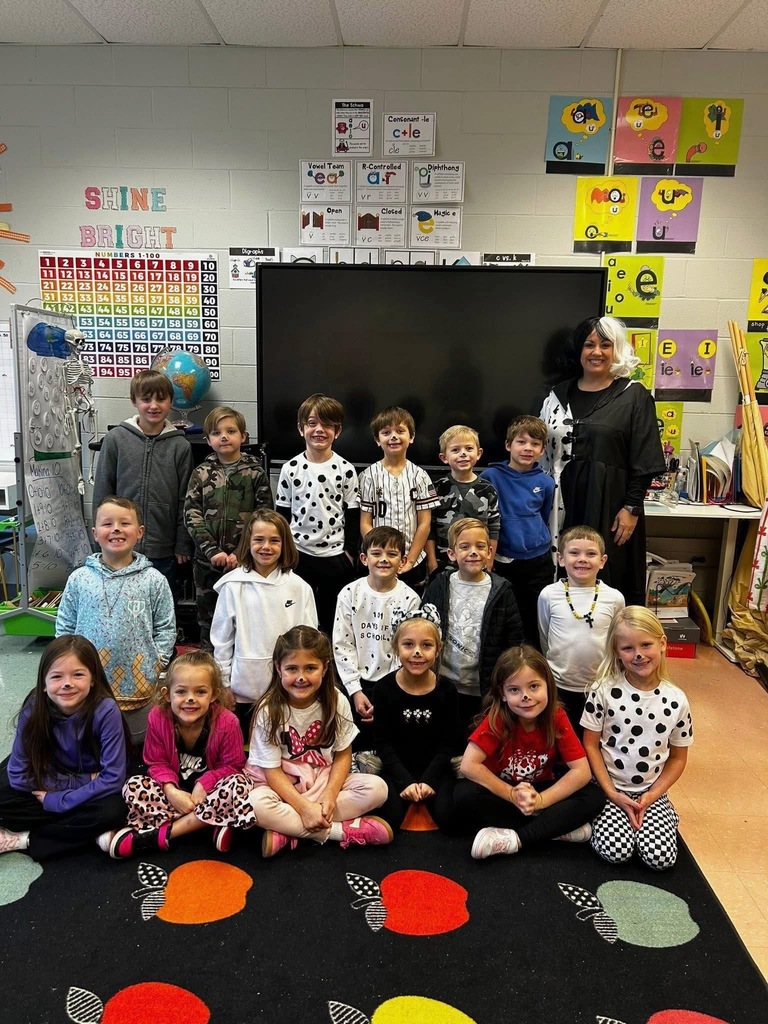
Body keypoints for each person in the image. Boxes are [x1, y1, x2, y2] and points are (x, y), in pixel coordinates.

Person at [212, 626, 392, 857]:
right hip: (279, 785)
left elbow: (343, 753)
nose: (301, 677)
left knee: (378, 789)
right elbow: (271, 771)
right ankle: (339, 832)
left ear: (325, 667)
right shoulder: (268, 710)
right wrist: (304, 808)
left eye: (310, 668)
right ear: (278, 668)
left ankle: (288, 830)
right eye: (292, 668)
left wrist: (329, 794)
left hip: (321, 780)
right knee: (255, 804)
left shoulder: (337, 701)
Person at [539, 315, 666, 606]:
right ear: (579, 350)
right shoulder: (556, 395)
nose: (596, 352)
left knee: (607, 574)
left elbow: (645, 457)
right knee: (562, 572)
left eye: (605, 345)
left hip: (609, 504)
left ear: (616, 350)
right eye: (589, 345)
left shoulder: (634, 395)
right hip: (560, 502)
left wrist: (632, 507)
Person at [454, 645, 605, 859]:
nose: (526, 696)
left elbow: (582, 771)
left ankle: (516, 839)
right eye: (514, 690)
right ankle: (553, 829)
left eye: (534, 686)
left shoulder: (556, 716)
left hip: (541, 790)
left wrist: (540, 800)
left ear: (548, 686)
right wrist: (511, 794)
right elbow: (468, 765)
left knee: (594, 796)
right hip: (505, 791)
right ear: (503, 694)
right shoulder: (497, 719)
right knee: (463, 795)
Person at [56, 496, 176, 744]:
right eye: (107, 523)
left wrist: (157, 662)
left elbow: (165, 627)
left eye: (125, 523)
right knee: (92, 742)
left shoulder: (154, 580)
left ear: (140, 532)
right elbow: (65, 625)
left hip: (138, 683)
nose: (116, 529)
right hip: (88, 681)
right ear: (95, 533)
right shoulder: (79, 579)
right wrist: (67, 664)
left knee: (135, 742)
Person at [581, 607, 693, 871]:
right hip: (609, 789)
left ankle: (665, 815)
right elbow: (590, 745)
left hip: (651, 792)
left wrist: (652, 796)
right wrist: (611, 792)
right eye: (628, 648)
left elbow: (678, 758)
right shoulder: (603, 691)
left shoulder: (677, 700)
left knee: (660, 858)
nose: (639, 654)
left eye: (646, 645)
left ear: (662, 643)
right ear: (617, 652)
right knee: (616, 851)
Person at [0, 636, 129, 860]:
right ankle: (89, 833)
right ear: (43, 683)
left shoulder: (106, 710)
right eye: (56, 676)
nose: (67, 683)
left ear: (93, 679)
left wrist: (59, 801)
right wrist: (78, 782)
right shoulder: (34, 707)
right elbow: (19, 776)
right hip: (61, 779)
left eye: (78, 674)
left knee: (113, 810)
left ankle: (26, 839)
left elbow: (113, 779)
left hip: (91, 790)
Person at [107, 651, 245, 858]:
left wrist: (204, 784)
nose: (190, 699)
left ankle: (166, 833)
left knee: (240, 785)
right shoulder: (157, 717)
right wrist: (171, 790)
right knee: (133, 786)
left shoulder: (228, 722)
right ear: (167, 694)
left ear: (214, 695)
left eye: (200, 692)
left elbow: (233, 766)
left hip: (209, 794)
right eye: (181, 691)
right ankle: (207, 824)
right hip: (173, 797)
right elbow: (155, 762)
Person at [210, 508, 317, 739]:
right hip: (242, 690)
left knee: (283, 746)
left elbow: (309, 641)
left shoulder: (299, 587)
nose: (266, 547)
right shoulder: (233, 586)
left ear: (285, 544)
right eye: (259, 540)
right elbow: (222, 640)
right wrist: (224, 683)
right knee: (245, 746)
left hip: (288, 689)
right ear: (248, 542)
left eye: (274, 540)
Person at [92, 368, 194, 597]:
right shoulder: (116, 439)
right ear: (134, 401)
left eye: (161, 399)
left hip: (163, 549)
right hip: (119, 546)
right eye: (146, 399)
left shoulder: (180, 446)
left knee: (159, 605)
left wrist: (182, 543)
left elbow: (185, 499)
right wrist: (101, 538)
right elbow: (102, 492)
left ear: (170, 401)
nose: (153, 406)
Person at [423, 518, 524, 733]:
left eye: (480, 546)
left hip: (483, 689)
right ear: (452, 554)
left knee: (477, 739)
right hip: (443, 684)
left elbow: (514, 641)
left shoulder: (502, 591)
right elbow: (424, 629)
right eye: (465, 547)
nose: (473, 552)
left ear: (489, 551)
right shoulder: (439, 585)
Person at [184, 405, 273, 650]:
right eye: (216, 433)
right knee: (208, 619)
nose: (224, 437)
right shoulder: (201, 473)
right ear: (208, 440)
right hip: (207, 562)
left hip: (245, 562)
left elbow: (264, 518)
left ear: (243, 436)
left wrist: (241, 553)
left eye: (231, 431)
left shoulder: (255, 473)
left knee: (244, 617)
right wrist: (212, 550)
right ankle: (209, 665)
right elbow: (191, 514)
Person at [332, 526, 420, 754]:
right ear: (364, 558)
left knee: (391, 748)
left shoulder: (410, 599)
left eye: (392, 554)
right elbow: (342, 645)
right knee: (357, 749)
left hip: (395, 686)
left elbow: (408, 648)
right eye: (376, 553)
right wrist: (355, 690)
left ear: (402, 561)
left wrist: (390, 693)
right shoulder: (349, 594)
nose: (384, 559)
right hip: (356, 684)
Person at [276, 394, 360, 631]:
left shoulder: (346, 469)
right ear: (301, 428)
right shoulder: (290, 468)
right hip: (298, 554)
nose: (319, 430)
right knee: (298, 619)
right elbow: (282, 514)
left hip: (335, 557)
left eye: (327, 425)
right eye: (312, 423)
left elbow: (353, 514)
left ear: (338, 431)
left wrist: (349, 554)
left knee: (332, 620)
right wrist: (284, 553)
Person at [372, 609, 460, 831]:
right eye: (408, 644)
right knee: (390, 818)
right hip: (398, 767)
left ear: (438, 649)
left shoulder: (447, 690)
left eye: (426, 645)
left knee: (449, 818)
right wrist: (405, 781)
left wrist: (430, 779)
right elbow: (383, 743)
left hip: (435, 767)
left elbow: (448, 743)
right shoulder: (383, 689)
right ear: (396, 647)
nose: (417, 652)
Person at [538, 526, 625, 731]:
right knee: (561, 735)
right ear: (561, 559)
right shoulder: (548, 595)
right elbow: (544, 636)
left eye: (591, 554)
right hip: (559, 685)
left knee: (594, 736)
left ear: (602, 561)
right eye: (574, 553)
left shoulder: (614, 598)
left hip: (601, 685)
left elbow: (618, 640)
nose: (582, 559)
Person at [481, 415, 555, 648]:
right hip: (502, 560)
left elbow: (543, 514)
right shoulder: (490, 477)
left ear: (542, 450)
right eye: (521, 442)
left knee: (534, 617)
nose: (528, 448)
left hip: (537, 561)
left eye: (535, 444)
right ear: (508, 445)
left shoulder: (546, 482)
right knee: (503, 616)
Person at [359, 405, 440, 591]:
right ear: (377, 439)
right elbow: (365, 522)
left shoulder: (420, 476)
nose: (393, 437)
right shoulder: (368, 476)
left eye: (400, 431)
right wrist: (378, 556)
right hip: (379, 561)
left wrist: (410, 560)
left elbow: (424, 523)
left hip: (412, 560)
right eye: (386, 432)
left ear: (411, 436)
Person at [425, 424, 500, 575]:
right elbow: (429, 528)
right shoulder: (436, 489)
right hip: (443, 564)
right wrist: (432, 562)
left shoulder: (487, 489)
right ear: (444, 457)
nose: (463, 454)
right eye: (455, 450)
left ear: (478, 453)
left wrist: (489, 560)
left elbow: (494, 527)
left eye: (469, 448)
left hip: (477, 562)